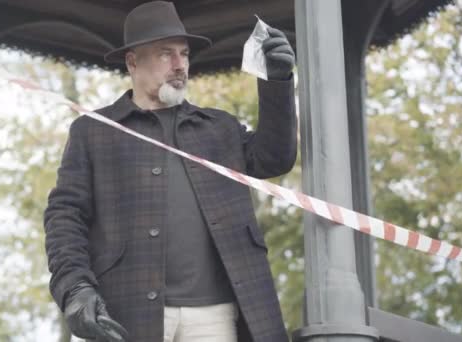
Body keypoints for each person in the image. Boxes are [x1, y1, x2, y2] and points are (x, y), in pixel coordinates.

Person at [44, 1, 297, 341]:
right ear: (133, 62)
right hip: (124, 312)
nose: (180, 65)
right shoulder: (94, 131)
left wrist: (278, 81)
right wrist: (74, 286)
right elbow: (64, 216)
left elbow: (275, 158)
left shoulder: (218, 127)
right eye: (166, 54)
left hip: (215, 316)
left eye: (184, 54)